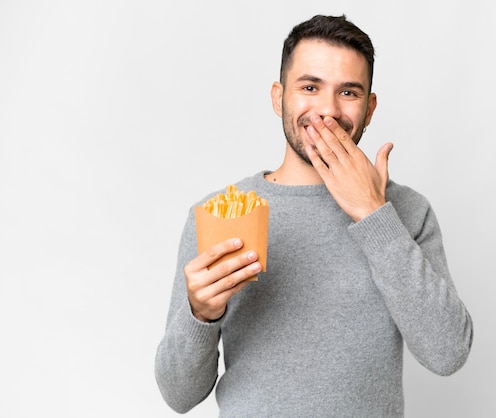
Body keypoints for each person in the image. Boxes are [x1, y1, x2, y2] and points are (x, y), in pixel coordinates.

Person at [155, 14, 473, 417]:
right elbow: (178, 396)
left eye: (349, 92)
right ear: (278, 97)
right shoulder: (220, 214)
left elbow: (448, 353)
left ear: (370, 108)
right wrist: (200, 314)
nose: (327, 110)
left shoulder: (407, 212)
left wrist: (373, 214)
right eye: (310, 87)